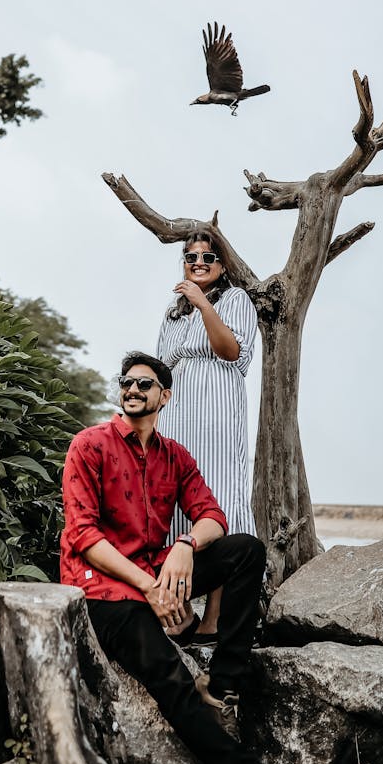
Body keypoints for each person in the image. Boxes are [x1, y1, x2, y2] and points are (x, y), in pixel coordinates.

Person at [60, 351, 343, 764]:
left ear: (164, 396)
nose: (132, 389)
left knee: (246, 550)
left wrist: (185, 544)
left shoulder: (175, 456)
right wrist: (152, 590)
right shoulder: (90, 445)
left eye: (144, 384)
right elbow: (85, 538)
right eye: (127, 382)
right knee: (169, 676)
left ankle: (221, 683)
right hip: (104, 590)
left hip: (155, 573)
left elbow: (213, 516)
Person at [157, 232, 257, 640]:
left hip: (216, 413)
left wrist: (203, 305)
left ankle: (215, 617)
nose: (198, 262)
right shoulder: (172, 309)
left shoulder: (234, 300)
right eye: (190, 256)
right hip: (177, 414)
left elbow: (231, 351)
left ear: (223, 263)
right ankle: (179, 611)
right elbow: (162, 364)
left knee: (219, 501)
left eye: (208, 256)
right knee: (177, 504)